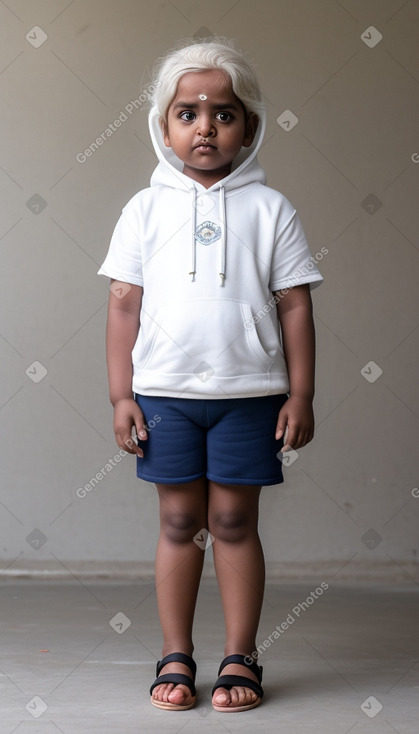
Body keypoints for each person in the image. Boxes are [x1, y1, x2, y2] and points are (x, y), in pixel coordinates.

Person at [98, 38, 323, 713]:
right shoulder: (145, 209)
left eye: (222, 114)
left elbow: (295, 306)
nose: (205, 128)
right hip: (164, 397)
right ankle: (175, 653)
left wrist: (302, 392)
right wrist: (120, 395)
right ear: (163, 126)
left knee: (231, 519)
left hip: (248, 398)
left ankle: (240, 655)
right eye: (187, 114)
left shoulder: (270, 209)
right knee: (177, 520)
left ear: (248, 127)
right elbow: (122, 307)